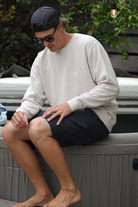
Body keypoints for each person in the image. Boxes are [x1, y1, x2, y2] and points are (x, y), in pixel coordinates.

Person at [2, 6, 119, 207]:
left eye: (48, 38)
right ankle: (43, 193)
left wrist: (73, 104)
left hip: (98, 116)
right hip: (64, 118)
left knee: (38, 127)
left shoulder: (87, 44)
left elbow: (110, 88)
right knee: (10, 131)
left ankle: (70, 191)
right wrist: (22, 112)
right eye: (40, 40)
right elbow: (34, 98)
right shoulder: (41, 59)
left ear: (61, 26)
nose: (46, 44)